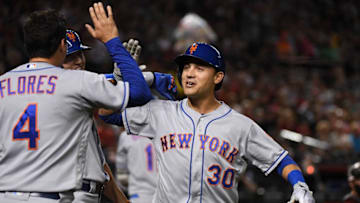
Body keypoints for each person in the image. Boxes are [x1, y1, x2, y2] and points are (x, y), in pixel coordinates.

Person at [100, 42, 315, 203]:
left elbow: (280, 160)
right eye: (186, 67)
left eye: (200, 68)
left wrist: (299, 184)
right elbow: (106, 112)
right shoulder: (161, 112)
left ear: (218, 77)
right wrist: (129, 80)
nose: (189, 73)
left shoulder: (240, 125)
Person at [0, 2, 152, 203]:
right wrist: (112, 42)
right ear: (62, 46)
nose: (79, 61)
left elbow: (98, 166)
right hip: (56, 196)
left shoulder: (4, 84)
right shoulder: (76, 83)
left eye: (80, 54)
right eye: (71, 56)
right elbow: (139, 92)